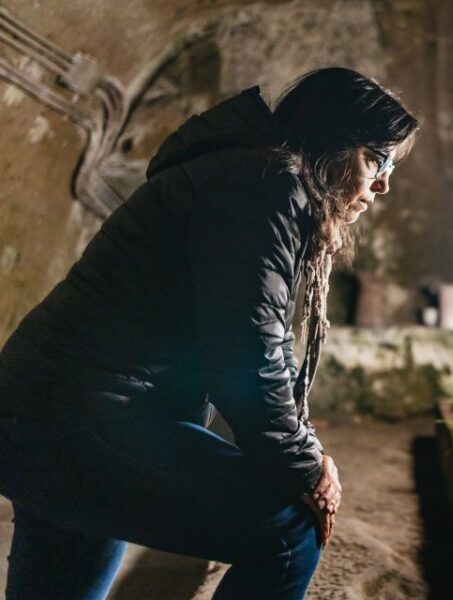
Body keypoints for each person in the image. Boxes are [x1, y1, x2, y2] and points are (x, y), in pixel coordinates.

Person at [0, 67, 418, 599]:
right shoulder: (265, 186)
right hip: (79, 421)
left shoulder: (246, 177)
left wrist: (301, 449)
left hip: (45, 414)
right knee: (289, 529)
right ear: (332, 142)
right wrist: (307, 466)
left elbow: (261, 337)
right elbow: (248, 355)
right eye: (376, 159)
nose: (382, 183)